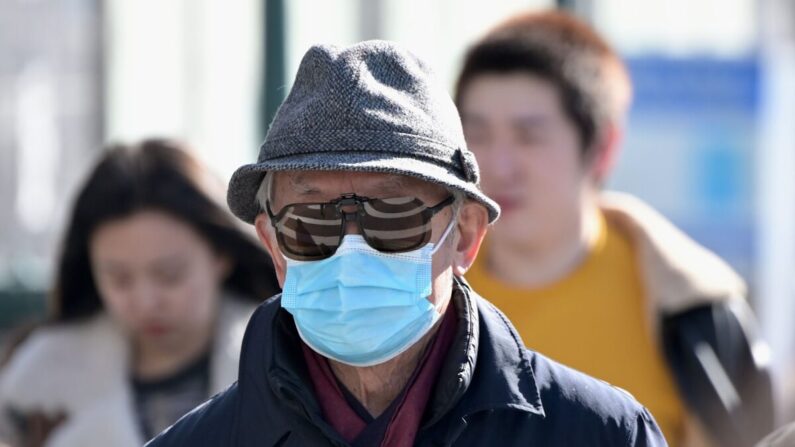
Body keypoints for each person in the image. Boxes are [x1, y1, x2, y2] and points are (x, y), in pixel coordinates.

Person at [146, 41, 667, 446]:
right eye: (311, 223)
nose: (351, 249)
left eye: (392, 216)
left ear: (465, 235)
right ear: (275, 246)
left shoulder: (601, 436)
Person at [455, 10, 774, 447]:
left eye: (529, 136)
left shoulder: (696, 310)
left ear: (602, 147)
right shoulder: (413, 296)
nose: (498, 164)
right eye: (477, 134)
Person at [0, 140, 280, 446]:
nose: (146, 302)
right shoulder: (37, 385)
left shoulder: (286, 358)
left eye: (169, 275)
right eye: (118, 278)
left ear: (221, 256)